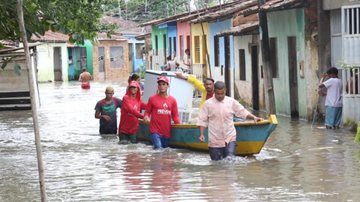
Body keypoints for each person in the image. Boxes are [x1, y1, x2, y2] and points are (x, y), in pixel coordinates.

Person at [197, 81, 262, 161]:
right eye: (218, 94)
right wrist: (201, 134)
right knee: (216, 164)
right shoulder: (208, 104)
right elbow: (202, 120)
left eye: (222, 93)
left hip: (230, 137)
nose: (220, 96)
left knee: (230, 160)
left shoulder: (231, 102)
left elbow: (242, 112)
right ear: (214, 91)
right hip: (215, 139)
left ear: (225, 91)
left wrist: (254, 117)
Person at [144, 76, 180, 149]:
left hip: (166, 132)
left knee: (164, 152)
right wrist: (146, 116)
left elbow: (175, 116)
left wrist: (180, 126)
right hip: (155, 131)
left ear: (168, 86)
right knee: (158, 148)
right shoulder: (152, 99)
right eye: (160, 84)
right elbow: (147, 112)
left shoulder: (173, 100)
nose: (161, 86)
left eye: (163, 84)